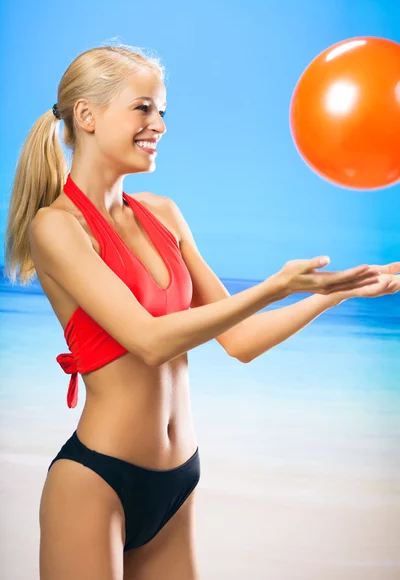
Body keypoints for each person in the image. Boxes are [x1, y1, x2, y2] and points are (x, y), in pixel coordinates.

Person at [4, 44, 399, 580]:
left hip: (178, 482)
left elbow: (241, 341)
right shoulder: (57, 228)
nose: (159, 125)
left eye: (162, 111)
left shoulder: (164, 215)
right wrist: (274, 286)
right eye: (143, 108)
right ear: (87, 115)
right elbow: (149, 340)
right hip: (96, 482)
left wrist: (336, 292)